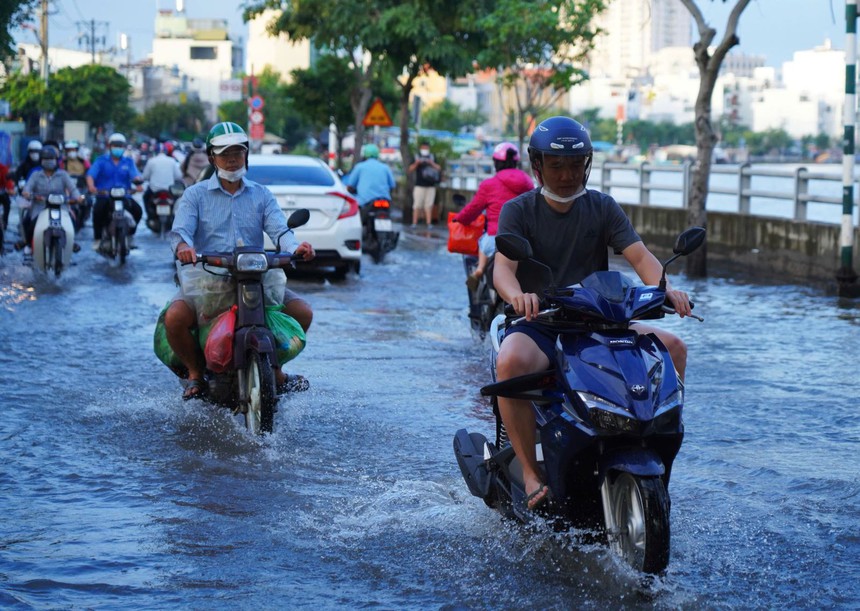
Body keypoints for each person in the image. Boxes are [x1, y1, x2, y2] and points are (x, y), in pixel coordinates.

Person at [492, 116, 693, 511]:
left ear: (587, 164)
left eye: (575, 165)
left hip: (601, 319)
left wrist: (666, 289)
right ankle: (531, 473)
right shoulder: (518, 210)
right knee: (511, 362)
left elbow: (640, 257)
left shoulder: (602, 206)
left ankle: (652, 449)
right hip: (541, 322)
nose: (567, 175)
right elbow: (503, 269)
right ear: (537, 165)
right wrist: (519, 297)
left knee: (673, 348)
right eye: (556, 165)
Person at [166, 121, 316, 400]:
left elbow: (281, 231)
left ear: (246, 154)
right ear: (212, 157)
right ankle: (196, 373)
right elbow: (180, 232)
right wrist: (184, 246)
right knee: (174, 319)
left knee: (303, 312)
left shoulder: (261, 194)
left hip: (255, 277)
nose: (232, 159)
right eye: (224, 153)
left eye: (238, 151)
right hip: (208, 278)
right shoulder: (195, 195)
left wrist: (296, 248)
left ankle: (276, 369)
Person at [454, 142, 534, 290]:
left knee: (483, 242)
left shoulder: (489, 184)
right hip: (524, 239)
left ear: (496, 162)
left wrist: (460, 218)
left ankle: (479, 270)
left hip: (495, 238)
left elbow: (473, 209)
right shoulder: (528, 182)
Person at [18, 145, 81, 253]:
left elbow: (73, 189)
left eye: (51, 159)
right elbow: (27, 188)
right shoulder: (35, 175)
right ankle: (28, 243)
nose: (49, 161)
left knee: (72, 220)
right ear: (41, 160)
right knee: (29, 222)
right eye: (46, 159)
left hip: (61, 207)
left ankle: (72, 241)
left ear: (56, 160)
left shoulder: (63, 175)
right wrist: (28, 194)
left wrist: (78, 197)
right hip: (40, 206)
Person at [86, 132, 143, 250]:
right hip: (104, 196)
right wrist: (91, 186)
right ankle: (97, 239)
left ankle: (130, 235)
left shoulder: (128, 161)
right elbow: (91, 175)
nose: (118, 148)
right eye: (115, 145)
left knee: (138, 211)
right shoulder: (101, 160)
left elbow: (135, 175)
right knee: (97, 211)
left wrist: (138, 183)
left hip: (124, 196)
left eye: (120, 146)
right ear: (109, 146)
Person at [342, 143, 396, 225]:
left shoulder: (360, 167)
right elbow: (392, 185)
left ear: (365, 155)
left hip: (365, 201)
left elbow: (351, 184)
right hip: (384, 200)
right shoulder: (385, 167)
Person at [141, 142, 183, 231]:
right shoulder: (172, 161)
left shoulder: (151, 161)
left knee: (145, 197)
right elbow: (179, 176)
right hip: (169, 190)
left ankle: (149, 216)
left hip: (154, 190)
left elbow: (145, 177)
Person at [407, 140, 442, 228]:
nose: (425, 149)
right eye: (423, 148)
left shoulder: (432, 157)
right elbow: (410, 169)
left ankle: (429, 223)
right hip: (419, 185)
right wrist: (417, 163)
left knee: (429, 205)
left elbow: (439, 168)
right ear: (420, 148)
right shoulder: (416, 156)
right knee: (417, 204)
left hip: (431, 185)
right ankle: (414, 222)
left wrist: (432, 163)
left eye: (426, 148)